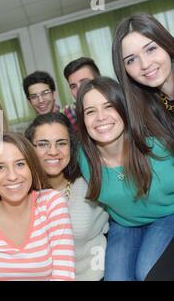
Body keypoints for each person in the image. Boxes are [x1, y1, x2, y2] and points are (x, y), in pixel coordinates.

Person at [76, 76, 174, 281]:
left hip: (168, 216)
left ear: (124, 108)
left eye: (109, 106)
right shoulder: (83, 157)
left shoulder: (157, 145)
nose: (100, 117)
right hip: (124, 224)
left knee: (148, 272)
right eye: (90, 111)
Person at [0, 132, 75, 281]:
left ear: (31, 167)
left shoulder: (52, 203)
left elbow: (64, 276)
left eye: (20, 164)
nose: (12, 176)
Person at [25, 113, 108, 281]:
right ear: (29, 148)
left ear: (71, 146)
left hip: (97, 275)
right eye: (43, 144)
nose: (53, 151)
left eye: (61, 143)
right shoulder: (22, 194)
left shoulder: (90, 181)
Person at [112, 12, 174, 130]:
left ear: (166, 45)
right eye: (131, 60)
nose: (145, 64)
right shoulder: (140, 112)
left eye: (151, 49)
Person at [62, 57, 101, 131]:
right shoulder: (70, 116)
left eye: (84, 82)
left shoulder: (119, 105)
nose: (79, 90)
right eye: (73, 86)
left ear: (99, 80)